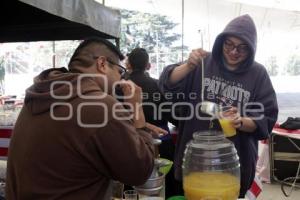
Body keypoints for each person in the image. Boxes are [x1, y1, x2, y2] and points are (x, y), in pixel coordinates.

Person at [5, 38, 156, 200]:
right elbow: (140, 172)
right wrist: (137, 110)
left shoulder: (41, 94)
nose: (121, 79)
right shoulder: (101, 106)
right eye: (120, 71)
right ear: (102, 64)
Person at [159, 14, 278, 197]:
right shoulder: (203, 63)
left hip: (233, 161)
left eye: (242, 48)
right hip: (196, 157)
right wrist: (188, 66)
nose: (233, 52)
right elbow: (167, 83)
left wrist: (241, 121)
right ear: (221, 42)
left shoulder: (258, 74)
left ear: (251, 49)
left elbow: (267, 118)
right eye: (228, 44)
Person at [126, 47, 178, 198]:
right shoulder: (157, 85)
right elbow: (171, 114)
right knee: (164, 187)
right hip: (160, 143)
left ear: (128, 64)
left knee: (132, 189)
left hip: (130, 144)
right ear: (148, 65)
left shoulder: (120, 86)